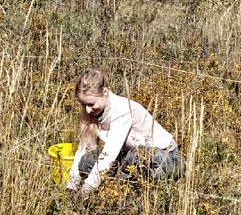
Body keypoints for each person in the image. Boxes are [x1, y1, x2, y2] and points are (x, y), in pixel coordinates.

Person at [66, 68, 183, 196]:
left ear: (105, 92)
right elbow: (84, 148)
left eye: (91, 104)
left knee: (136, 156)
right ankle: (120, 188)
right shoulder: (92, 113)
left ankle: (128, 192)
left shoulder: (120, 109)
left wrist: (86, 190)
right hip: (128, 156)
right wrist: (72, 186)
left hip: (163, 158)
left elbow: (109, 154)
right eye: (83, 105)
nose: (88, 110)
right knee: (86, 161)